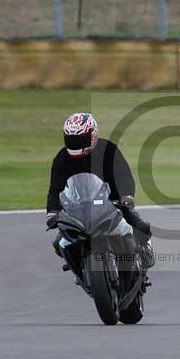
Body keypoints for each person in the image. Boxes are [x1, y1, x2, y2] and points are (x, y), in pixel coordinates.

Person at [46, 112, 154, 269]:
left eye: (79, 139)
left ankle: (144, 249)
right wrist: (53, 211)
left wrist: (126, 196)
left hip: (112, 203)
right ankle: (80, 266)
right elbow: (55, 188)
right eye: (72, 139)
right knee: (59, 244)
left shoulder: (108, 150)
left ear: (93, 135)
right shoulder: (62, 158)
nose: (75, 143)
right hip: (78, 209)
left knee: (140, 227)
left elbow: (123, 175)